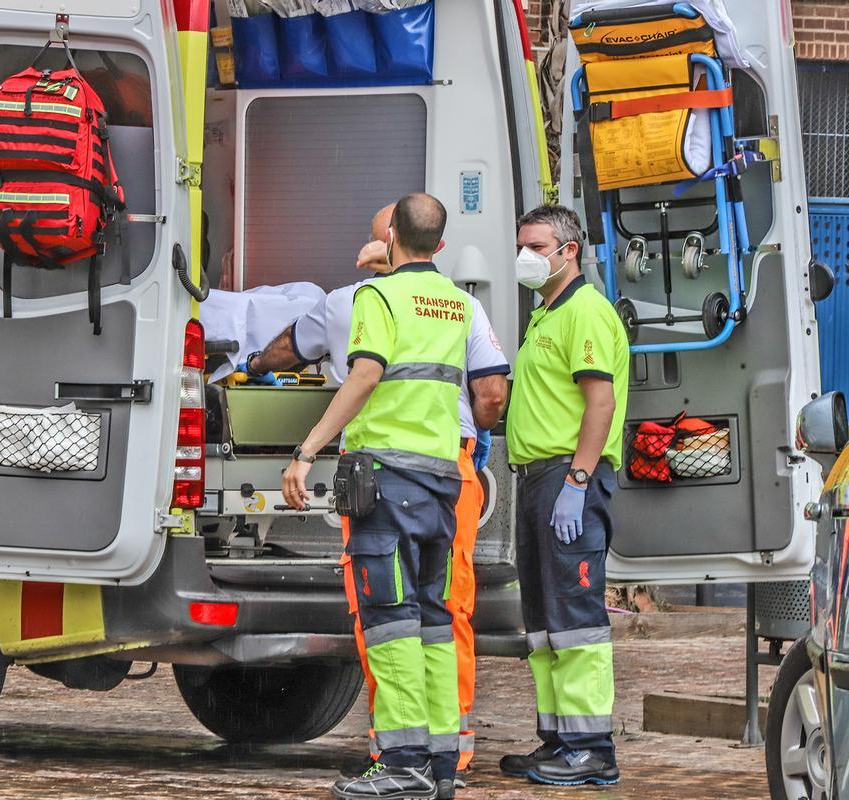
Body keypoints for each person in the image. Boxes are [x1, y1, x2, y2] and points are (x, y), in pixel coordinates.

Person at [247, 205, 509, 786]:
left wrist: (307, 450)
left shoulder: (376, 299)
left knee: (389, 621)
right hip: (443, 483)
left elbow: (364, 375)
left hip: (385, 484)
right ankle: (443, 762)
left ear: (390, 240)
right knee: (436, 620)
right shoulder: (462, 304)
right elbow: (491, 390)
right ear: (439, 245)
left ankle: (400, 766)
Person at [500, 204, 629, 787]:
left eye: (536, 245)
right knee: (545, 621)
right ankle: (558, 740)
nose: (526, 255)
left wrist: (577, 481)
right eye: (522, 244)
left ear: (568, 249)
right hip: (536, 480)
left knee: (575, 617)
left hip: (566, 478)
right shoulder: (545, 315)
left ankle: (592, 749)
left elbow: (599, 403)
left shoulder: (586, 313)